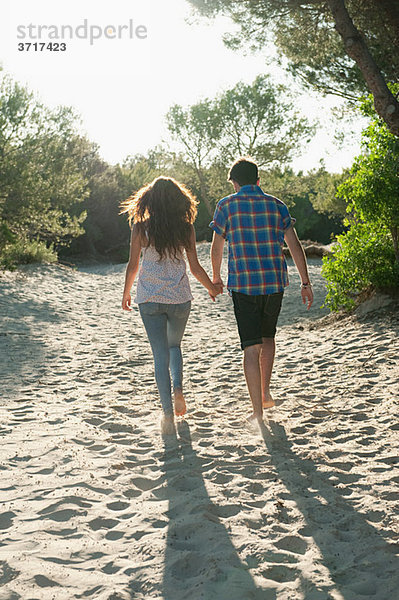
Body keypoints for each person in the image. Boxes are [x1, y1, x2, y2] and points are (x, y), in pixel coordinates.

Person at [209, 158, 313, 423]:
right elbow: (294, 244)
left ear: (234, 182)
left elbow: (217, 246)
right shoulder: (277, 205)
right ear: (258, 180)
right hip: (274, 282)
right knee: (267, 338)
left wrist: (216, 277)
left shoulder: (226, 205)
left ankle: (257, 411)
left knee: (250, 348)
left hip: (244, 285)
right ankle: (265, 392)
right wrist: (305, 282)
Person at [121, 176, 221, 435]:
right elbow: (195, 267)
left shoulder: (140, 228)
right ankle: (179, 389)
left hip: (149, 299)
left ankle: (167, 414)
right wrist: (211, 287)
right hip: (179, 299)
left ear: (149, 200)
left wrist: (126, 293)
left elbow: (133, 265)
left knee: (159, 354)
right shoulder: (185, 228)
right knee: (174, 345)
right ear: (179, 200)